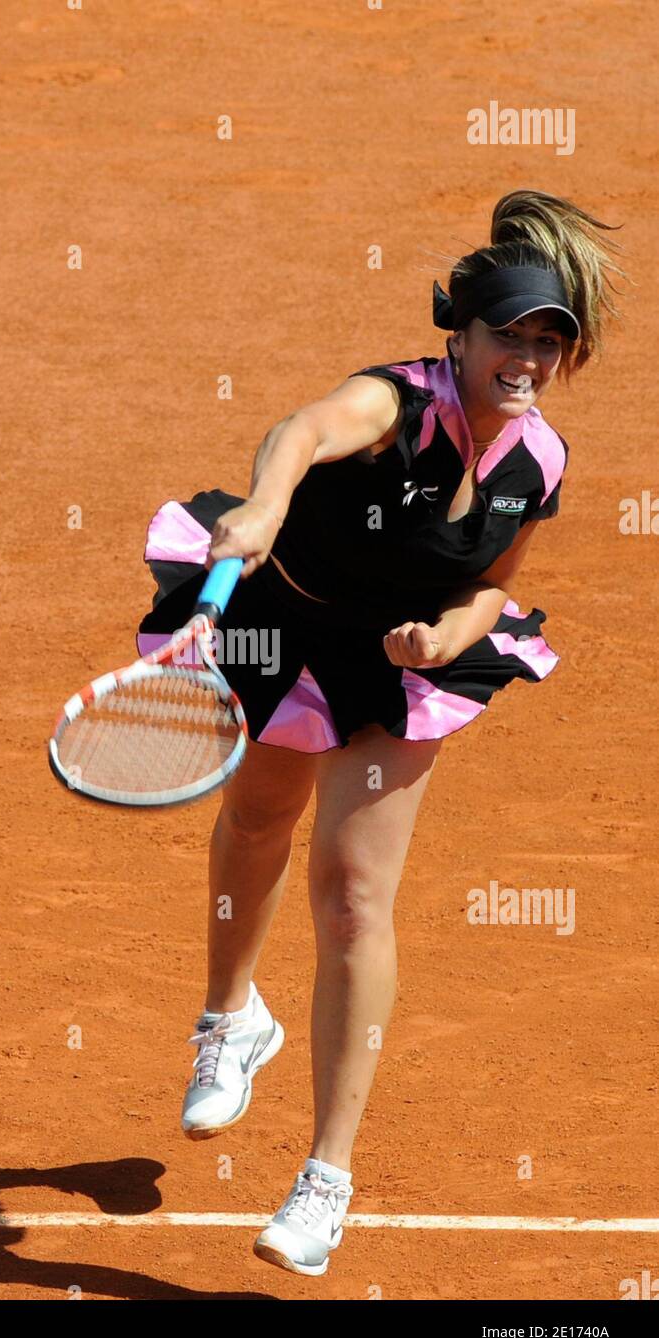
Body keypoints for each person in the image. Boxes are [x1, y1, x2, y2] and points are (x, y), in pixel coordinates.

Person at [136, 189, 625, 1277]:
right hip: (288, 621)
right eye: (510, 335)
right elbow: (303, 430)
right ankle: (230, 1018)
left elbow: (497, 588)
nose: (528, 359)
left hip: (400, 668)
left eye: (549, 342)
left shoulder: (536, 461)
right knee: (258, 818)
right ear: (459, 334)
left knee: (353, 895)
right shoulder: (393, 403)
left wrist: (445, 634)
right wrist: (263, 504)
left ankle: (324, 1178)